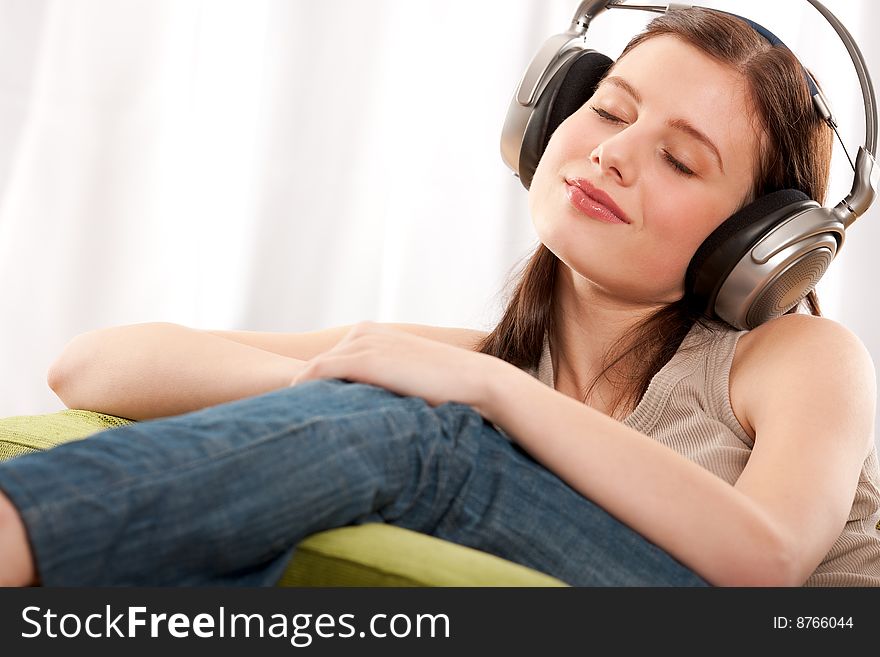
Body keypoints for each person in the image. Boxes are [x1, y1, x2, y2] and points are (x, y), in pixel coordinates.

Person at [1, 7, 878, 587]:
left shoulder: (797, 357)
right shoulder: (476, 370)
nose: (614, 153)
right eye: (610, 112)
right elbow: (93, 365)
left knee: (436, 443)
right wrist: (356, 385)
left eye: (682, 159)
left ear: (761, 245)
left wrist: (489, 401)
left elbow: (767, 561)